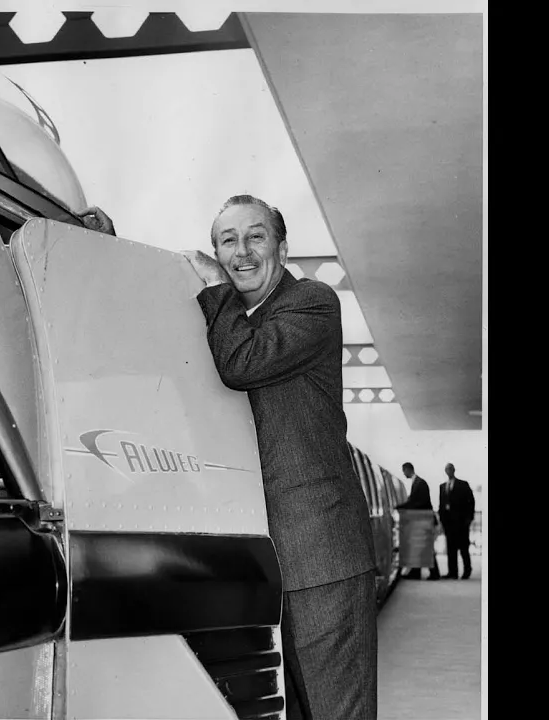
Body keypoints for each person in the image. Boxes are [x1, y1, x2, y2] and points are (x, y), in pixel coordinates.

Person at [179, 195, 378, 720]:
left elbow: (243, 364)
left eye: (256, 236)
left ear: (283, 249)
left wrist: (215, 286)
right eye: (228, 240)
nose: (241, 252)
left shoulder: (311, 302)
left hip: (320, 557)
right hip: (266, 561)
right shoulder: (231, 319)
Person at [394, 462, 440, 580]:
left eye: (404, 471)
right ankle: (416, 573)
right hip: (422, 519)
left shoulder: (420, 483)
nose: (404, 474)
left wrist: (400, 507)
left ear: (408, 469)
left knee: (425, 546)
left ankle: (433, 574)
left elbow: (418, 502)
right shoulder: (418, 482)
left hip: (423, 519)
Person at [438, 463, 476, 580]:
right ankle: (452, 572)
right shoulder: (442, 486)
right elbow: (441, 504)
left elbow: (471, 502)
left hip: (461, 523)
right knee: (451, 549)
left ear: (454, 470)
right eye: (447, 469)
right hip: (449, 524)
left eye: (450, 469)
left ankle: (467, 571)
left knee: (464, 548)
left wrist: (469, 519)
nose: (449, 471)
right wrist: (442, 520)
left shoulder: (463, 485)